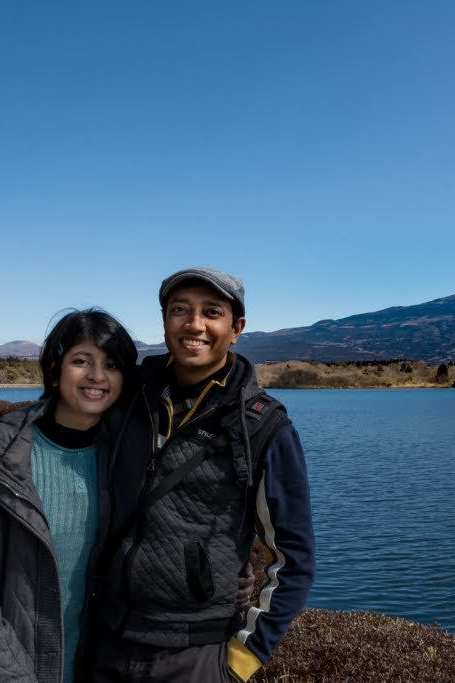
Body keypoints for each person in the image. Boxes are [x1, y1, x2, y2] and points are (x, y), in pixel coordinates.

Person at [91, 267, 316, 682]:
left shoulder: (263, 428)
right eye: (180, 309)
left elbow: (293, 561)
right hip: (103, 638)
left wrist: (239, 663)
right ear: (164, 321)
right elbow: (55, 416)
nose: (194, 324)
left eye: (212, 312)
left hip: (196, 655)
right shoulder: (126, 396)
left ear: (236, 328)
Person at [0, 309, 138, 683]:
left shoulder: (126, 459)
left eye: (112, 364)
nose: (97, 376)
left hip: (96, 666)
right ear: (55, 370)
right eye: (81, 361)